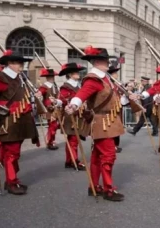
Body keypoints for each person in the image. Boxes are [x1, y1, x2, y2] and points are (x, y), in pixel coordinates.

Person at [65, 46, 125, 201]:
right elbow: (82, 94)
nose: (107, 62)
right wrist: (74, 104)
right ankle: (108, 189)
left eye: (106, 60)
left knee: (98, 156)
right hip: (102, 122)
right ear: (96, 62)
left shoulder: (105, 78)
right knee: (108, 156)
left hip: (109, 120)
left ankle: (94, 186)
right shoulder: (94, 79)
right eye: (103, 60)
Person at [0, 50, 40, 195]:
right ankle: (11, 182)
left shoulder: (20, 78)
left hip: (22, 120)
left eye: (21, 63)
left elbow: (24, 97)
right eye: (18, 63)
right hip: (9, 120)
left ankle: (12, 179)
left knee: (15, 152)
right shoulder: (0, 78)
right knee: (11, 153)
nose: (21, 65)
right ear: (10, 63)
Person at [58, 63, 87, 170]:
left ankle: (69, 160)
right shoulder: (65, 87)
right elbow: (62, 100)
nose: (78, 74)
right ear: (70, 74)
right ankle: (74, 160)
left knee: (73, 138)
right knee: (73, 139)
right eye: (75, 72)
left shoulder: (78, 85)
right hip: (70, 115)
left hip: (79, 115)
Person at [38, 68, 62, 150]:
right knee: (53, 126)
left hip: (57, 108)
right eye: (50, 76)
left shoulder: (55, 85)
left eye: (53, 76)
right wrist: (39, 94)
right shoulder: (44, 86)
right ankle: (50, 142)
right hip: (49, 109)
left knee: (55, 126)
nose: (52, 78)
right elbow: (39, 94)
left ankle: (51, 140)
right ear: (47, 77)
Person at [107, 65, 124, 153]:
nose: (116, 75)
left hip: (118, 108)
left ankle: (116, 145)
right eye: (114, 73)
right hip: (111, 109)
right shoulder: (108, 84)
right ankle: (112, 146)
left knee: (117, 127)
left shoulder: (117, 84)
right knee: (112, 127)